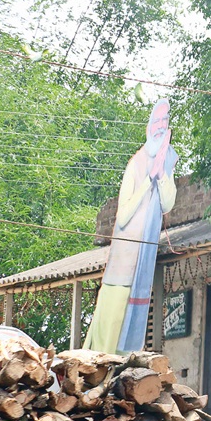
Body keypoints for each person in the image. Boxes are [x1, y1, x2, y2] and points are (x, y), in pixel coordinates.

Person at [86, 99, 178, 353]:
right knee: (108, 336)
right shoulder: (135, 164)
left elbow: (168, 204)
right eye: (156, 121)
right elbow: (123, 216)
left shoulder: (165, 165)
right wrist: (148, 180)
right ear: (149, 126)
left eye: (165, 121)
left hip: (143, 265)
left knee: (132, 332)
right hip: (122, 266)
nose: (161, 126)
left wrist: (160, 176)